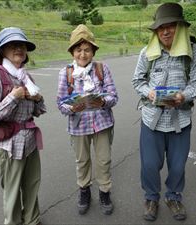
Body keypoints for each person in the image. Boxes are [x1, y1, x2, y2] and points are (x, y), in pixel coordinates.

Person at [132, 3, 196, 222]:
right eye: (160, 27)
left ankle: (173, 196)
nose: (165, 31)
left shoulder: (193, 52)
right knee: (150, 165)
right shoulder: (147, 52)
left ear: (181, 27)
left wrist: (184, 96)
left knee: (178, 165)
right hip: (151, 120)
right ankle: (151, 197)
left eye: (171, 25)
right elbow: (138, 80)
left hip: (180, 120)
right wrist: (150, 93)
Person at [0, 27, 46, 225]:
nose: (19, 48)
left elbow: (39, 111)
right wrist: (13, 98)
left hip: (30, 142)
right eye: (12, 45)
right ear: (2, 50)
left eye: (22, 45)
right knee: (12, 191)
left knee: (32, 184)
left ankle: (32, 221)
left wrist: (38, 98)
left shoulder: (26, 77)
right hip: (7, 146)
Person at [56, 24, 118, 215]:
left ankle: (105, 192)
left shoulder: (102, 69)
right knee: (82, 161)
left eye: (87, 50)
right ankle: (84, 191)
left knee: (104, 161)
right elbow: (60, 103)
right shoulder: (65, 73)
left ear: (93, 51)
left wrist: (102, 102)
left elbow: (114, 96)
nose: (83, 54)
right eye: (78, 49)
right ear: (72, 52)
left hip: (102, 123)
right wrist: (72, 108)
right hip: (78, 126)